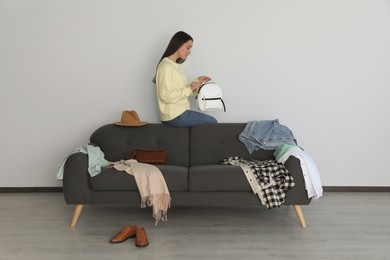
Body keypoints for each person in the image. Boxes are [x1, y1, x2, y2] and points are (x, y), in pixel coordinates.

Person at [153, 31, 218, 128]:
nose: (189, 52)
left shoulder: (175, 66)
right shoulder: (166, 66)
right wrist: (189, 89)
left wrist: (197, 82)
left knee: (211, 121)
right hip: (174, 115)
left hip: (180, 112)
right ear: (178, 44)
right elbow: (165, 96)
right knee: (212, 121)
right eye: (188, 47)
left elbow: (183, 91)